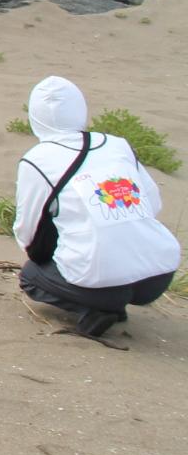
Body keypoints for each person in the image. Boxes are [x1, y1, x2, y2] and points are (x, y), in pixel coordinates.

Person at [13, 75, 180, 339]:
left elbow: (29, 233)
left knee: (31, 276)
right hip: (159, 273)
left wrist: (49, 255)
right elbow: (153, 202)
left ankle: (100, 304)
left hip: (99, 277)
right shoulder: (117, 145)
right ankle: (113, 293)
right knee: (105, 259)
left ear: (35, 117)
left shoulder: (37, 160)